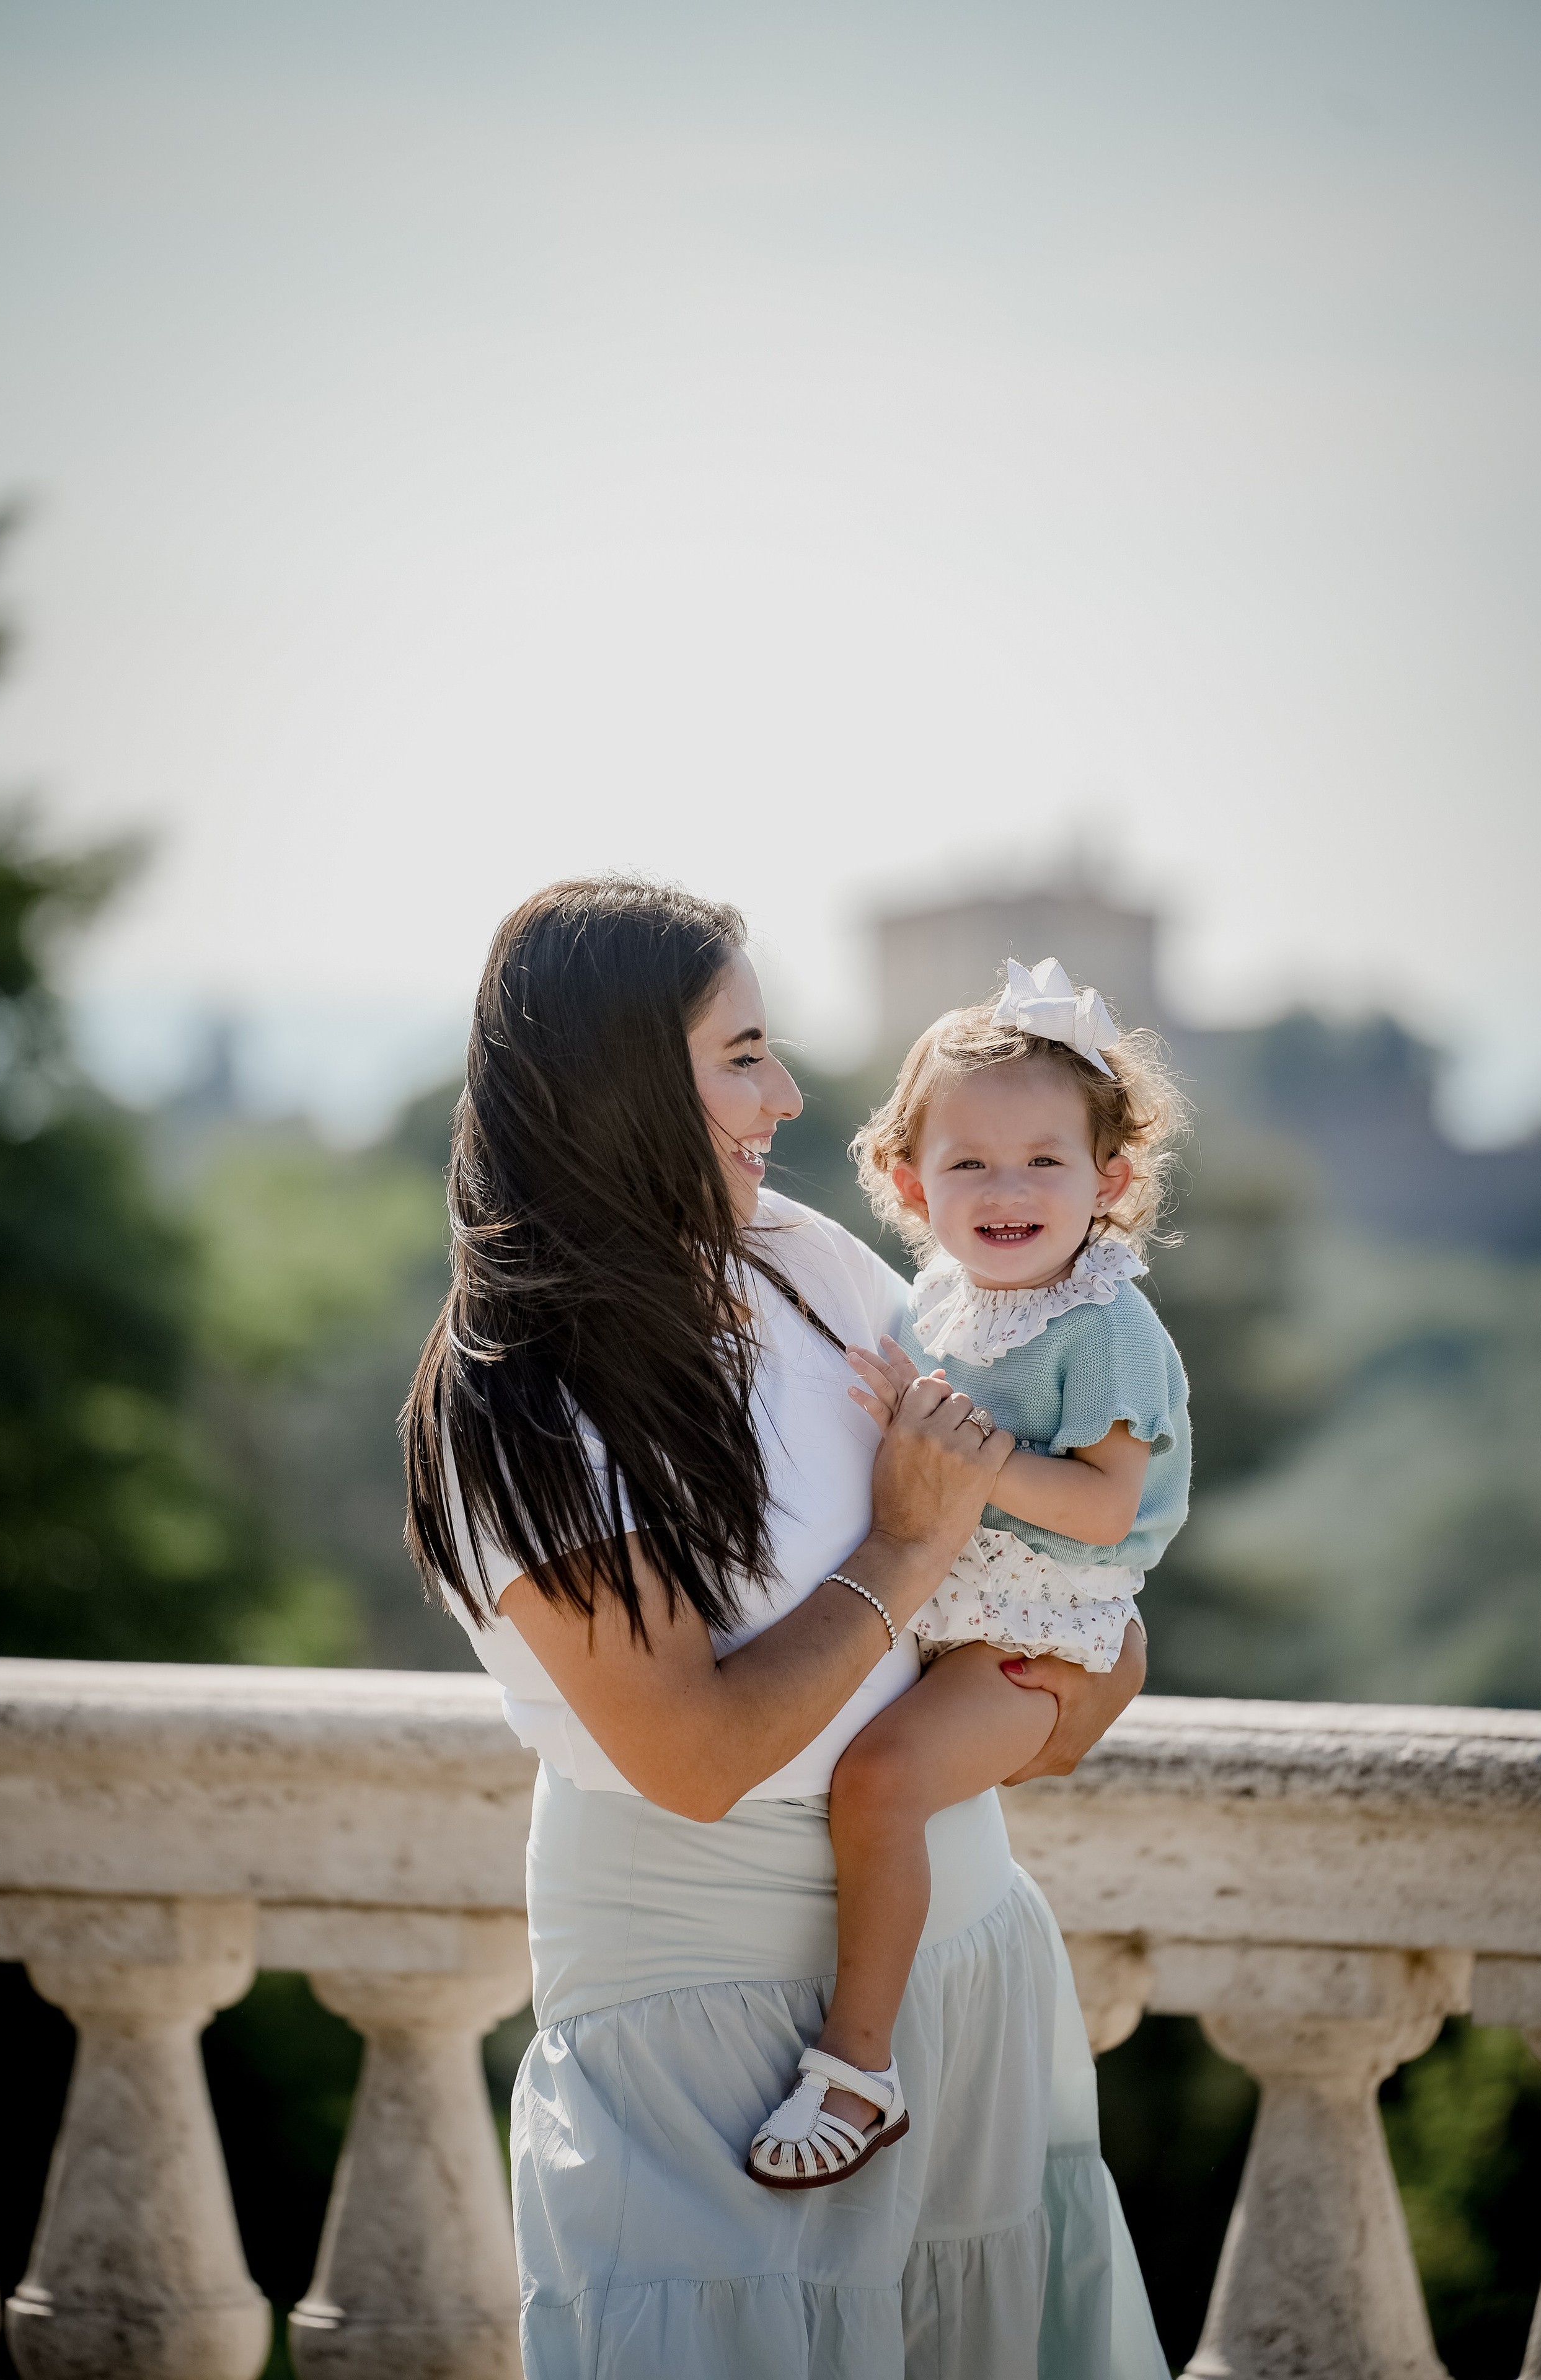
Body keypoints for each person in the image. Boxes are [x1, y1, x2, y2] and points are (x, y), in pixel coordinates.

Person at [404, 879, 1166, 2380]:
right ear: (621, 1084)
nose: (789, 1094)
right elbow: (696, 1756)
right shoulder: (515, 1403)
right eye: (741, 1053)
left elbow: (1014, 1509)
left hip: (961, 1971)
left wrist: (1080, 1677)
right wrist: (903, 1548)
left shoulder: (801, 1259)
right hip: (707, 2027)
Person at [748, 956, 1190, 2187]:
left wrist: (958, 1452)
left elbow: (1103, 1510)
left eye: (1042, 1162)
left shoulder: (1099, 1321)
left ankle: (856, 2067)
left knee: (880, 1783)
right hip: (954, 1609)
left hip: (1036, 1624)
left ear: (1106, 1181)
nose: (1005, 1191)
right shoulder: (936, 1301)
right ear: (907, 1181)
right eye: (967, 1164)